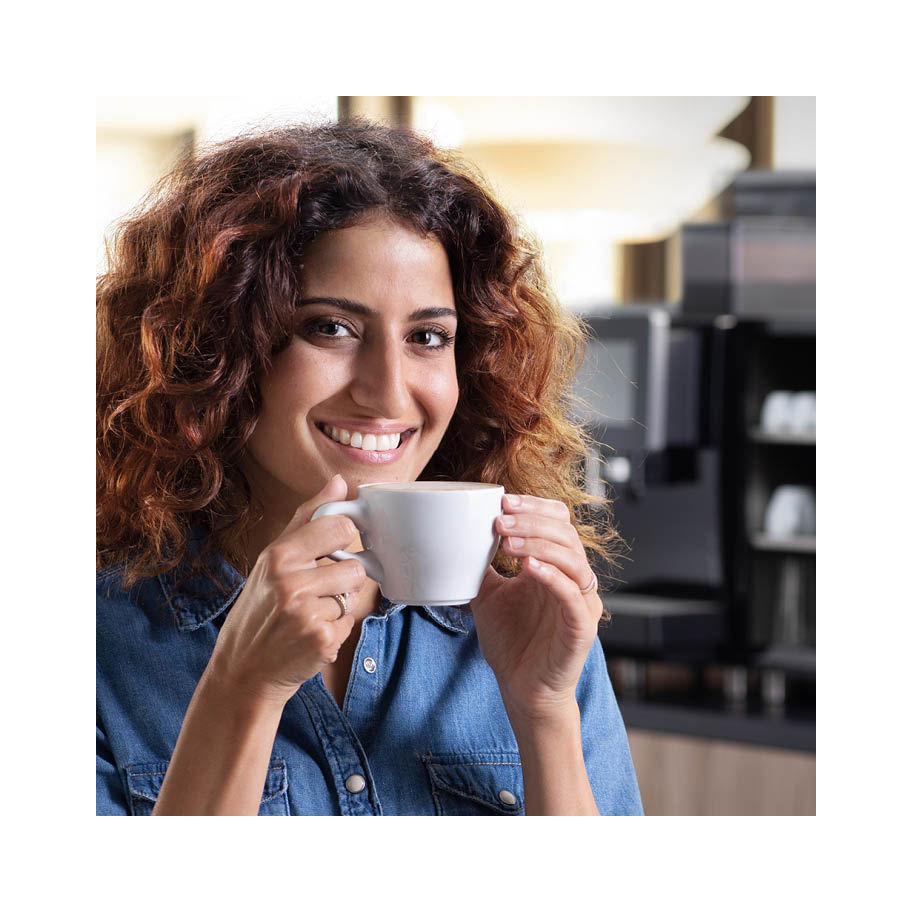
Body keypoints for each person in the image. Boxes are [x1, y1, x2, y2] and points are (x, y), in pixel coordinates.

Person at [96, 118, 644, 816]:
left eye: (427, 336)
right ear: (214, 349)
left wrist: (545, 714)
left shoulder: (536, 623)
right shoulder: (93, 641)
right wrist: (242, 686)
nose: (389, 392)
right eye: (330, 327)